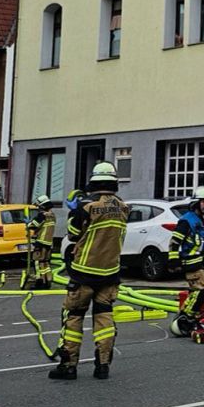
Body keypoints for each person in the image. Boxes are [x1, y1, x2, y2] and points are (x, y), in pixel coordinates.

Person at [50, 161, 128, 381]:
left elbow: (73, 234)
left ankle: (68, 365)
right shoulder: (123, 207)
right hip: (110, 272)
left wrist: (74, 210)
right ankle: (103, 365)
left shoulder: (85, 206)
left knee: (74, 317)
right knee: (104, 319)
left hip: (84, 272)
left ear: (94, 182)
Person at [168, 188, 204, 334]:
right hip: (191, 262)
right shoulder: (186, 221)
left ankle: (195, 317)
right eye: (203, 202)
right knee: (201, 290)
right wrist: (173, 260)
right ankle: (186, 316)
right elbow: (174, 242)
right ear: (196, 203)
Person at [25, 194, 56, 289]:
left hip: (41, 242)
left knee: (37, 262)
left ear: (42, 206)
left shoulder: (42, 215)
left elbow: (33, 225)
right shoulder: (53, 215)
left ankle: (40, 282)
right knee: (46, 263)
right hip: (49, 243)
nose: (38, 208)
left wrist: (28, 222)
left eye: (38, 206)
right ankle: (48, 281)